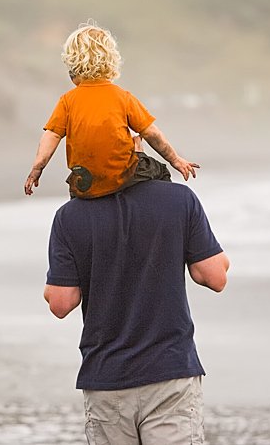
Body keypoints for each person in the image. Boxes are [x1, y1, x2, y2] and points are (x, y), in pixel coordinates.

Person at [43, 173, 229, 444]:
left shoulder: (69, 216)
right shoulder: (178, 199)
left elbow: (61, 303)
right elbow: (215, 278)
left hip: (107, 377)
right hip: (169, 373)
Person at [24, 21, 199, 199]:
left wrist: (37, 168)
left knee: (77, 187)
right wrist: (175, 160)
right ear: (111, 61)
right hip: (124, 176)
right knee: (160, 171)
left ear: (73, 66)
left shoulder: (67, 101)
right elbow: (151, 133)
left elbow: (52, 135)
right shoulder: (123, 97)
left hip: (85, 184)